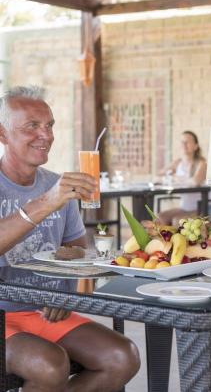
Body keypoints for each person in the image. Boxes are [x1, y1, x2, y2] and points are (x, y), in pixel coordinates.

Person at [0, 86, 140, 392]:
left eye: (49, 125)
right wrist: (45, 203)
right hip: (3, 314)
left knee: (123, 356)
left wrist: (65, 294)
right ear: (2, 133)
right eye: (32, 126)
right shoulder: (52, 192)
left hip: (47, 310)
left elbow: (75, 247)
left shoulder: (55, 183)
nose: (46, 135)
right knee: (51, 365)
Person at [158, 130, 208, 225]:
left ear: (196, 146)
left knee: (178, 220)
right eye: (182, 142)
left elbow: (195, 182)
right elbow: (158, 176)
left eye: (187, 142)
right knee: (161, 217)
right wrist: (168, 177)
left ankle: (179, 240)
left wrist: (174, 177)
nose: (184, 144)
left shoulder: (202, 163)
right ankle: (166, 240)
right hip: (185, 207)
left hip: (205, 207)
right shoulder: (177, 163)